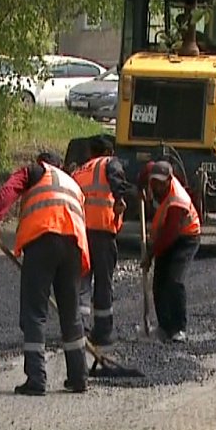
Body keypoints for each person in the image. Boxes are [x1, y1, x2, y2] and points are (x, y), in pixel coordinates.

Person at [0, 150, 91, 396]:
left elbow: (9, 190)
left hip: (42, 240)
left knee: (35, 313)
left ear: (41, 162)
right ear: (60, 165)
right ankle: (79, 377)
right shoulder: (72, 183)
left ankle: (36, 379)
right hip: (74, 245)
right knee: (71, 313)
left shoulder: (34, 171)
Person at [71, 135, 132, 345]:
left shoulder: (79, 171)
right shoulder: (109, 163)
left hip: (80, 233)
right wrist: (121, 199)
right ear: (107, 152)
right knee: (103, 283)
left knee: (82, 282)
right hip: (103, 232)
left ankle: (78, 328)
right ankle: (103, 332)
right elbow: (117, 179)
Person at [142, 161, 201, 343]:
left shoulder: (178, 201)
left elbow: (169, 235)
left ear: (169, 180)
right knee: (158, 282)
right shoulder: (153, 180)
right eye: (154, 182)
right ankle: (164, 327)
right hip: (168, 235)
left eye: (160, 183)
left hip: (186, 237)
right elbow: (145, 170)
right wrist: (140, 187)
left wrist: (151, 254)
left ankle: (179, 328)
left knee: (174, 280)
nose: (156, 186)